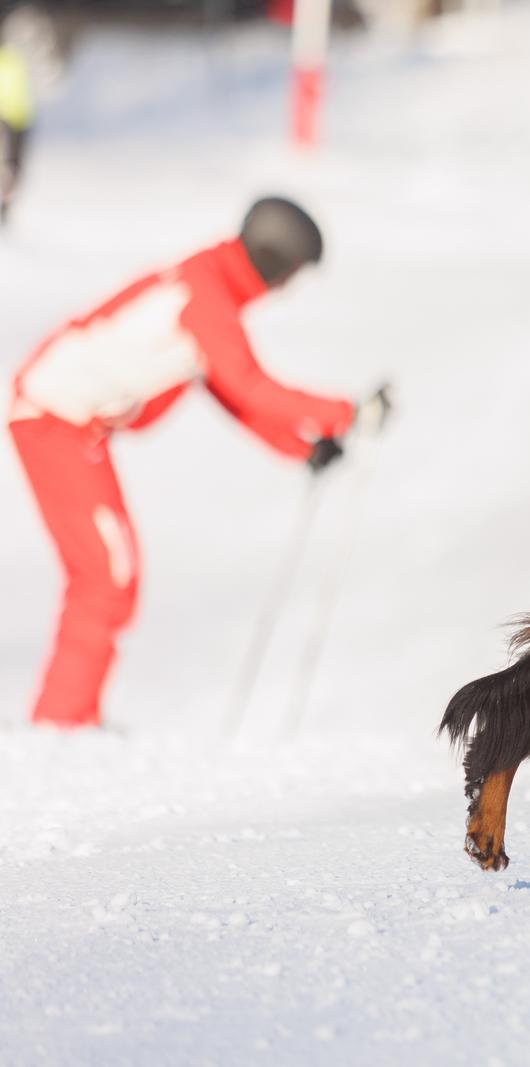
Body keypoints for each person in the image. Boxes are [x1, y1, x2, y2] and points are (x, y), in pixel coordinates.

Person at [8, 197, 385, 730]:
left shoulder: (208, 285)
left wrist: (302, 446)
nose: (286, 289)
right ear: (273, 261)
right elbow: (251, 385)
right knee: (105, 573)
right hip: (53, 422)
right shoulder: (203, 296)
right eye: (291, 275)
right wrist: (349, 412)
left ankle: (72, 717)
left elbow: (231, 391)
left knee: (110, 573)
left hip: (69, 426)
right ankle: (62, 721)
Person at [0, 30, 33, 228]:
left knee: (14, 168)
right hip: (9, 119)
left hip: (21, 118)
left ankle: (6, 205)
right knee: (10, 167)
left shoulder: (16, 58)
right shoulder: (11, 59)